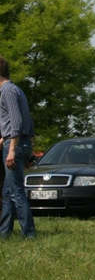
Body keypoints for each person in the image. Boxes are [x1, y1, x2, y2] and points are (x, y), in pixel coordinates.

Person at [0, 56, 36, 238]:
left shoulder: (7, 91)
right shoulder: (15, 90)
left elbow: (17, 121)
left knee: (16, 192)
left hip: (14, 144)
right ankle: (4, 233)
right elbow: (25, 121)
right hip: (16, 141)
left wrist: (12, 149)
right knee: (8, 192)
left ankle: (29, 233)